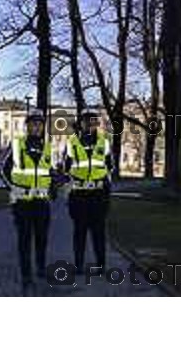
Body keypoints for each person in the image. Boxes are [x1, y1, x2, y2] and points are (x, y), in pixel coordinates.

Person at [1, 108, 55, 290]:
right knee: (24, 240)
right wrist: (13, 189)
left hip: (42, 202)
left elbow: (48, 172)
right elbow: (4, 170)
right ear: (27, 126)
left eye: (40, 124)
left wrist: (54, 185)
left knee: (42, 238)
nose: (37, 127)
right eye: (33, 124)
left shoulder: (47, 148)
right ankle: (26, 275)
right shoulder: (17, 145)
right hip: (22, 203)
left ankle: (40, 267)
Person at [62, 109, 113, 274]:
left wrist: (106, 192)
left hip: (98, 195)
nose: (89, 124)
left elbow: (110, 167)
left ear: (96, 123)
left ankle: (101, 265)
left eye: (93, 120)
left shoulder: (104, 142)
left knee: (99, 232)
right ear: (81, 123)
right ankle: (78, 264)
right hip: (79, 196)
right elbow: (66, 168)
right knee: (79, 232)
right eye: (86, 121)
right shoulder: (72, 143)